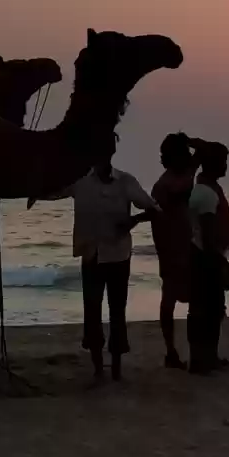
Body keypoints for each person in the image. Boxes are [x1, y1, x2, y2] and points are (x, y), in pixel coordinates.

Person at [52, 136, 158, 381]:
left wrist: (133, 220)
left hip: (118, 255)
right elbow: (53, 191)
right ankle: (98, 367)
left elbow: (153, 209)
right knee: (92, 311)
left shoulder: (125, 181)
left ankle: (116, 368)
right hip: (91, 254)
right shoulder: (79, 181)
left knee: (117, 311)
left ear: (110, 152)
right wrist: (32, 189)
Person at [151, 132, 200, 370]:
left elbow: (209, 151)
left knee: (193, 298)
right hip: (171, 247)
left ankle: (193, 350)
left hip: (187, 244)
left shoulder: (182, 175)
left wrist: (192, 143)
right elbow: (159, 215)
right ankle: (171, 350)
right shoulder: (164, 185)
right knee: (170, 298)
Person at [187, 143, 229, 374]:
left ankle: (203, 357)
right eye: (223, 161)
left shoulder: (201, 189)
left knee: (201, 309)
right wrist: (220, 262)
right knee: (211, 310)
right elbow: (208, 233)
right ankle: (205, 359)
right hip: (206, 256)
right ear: (213, 163)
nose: (225, 165)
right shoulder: (207, 194)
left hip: (200, 254)